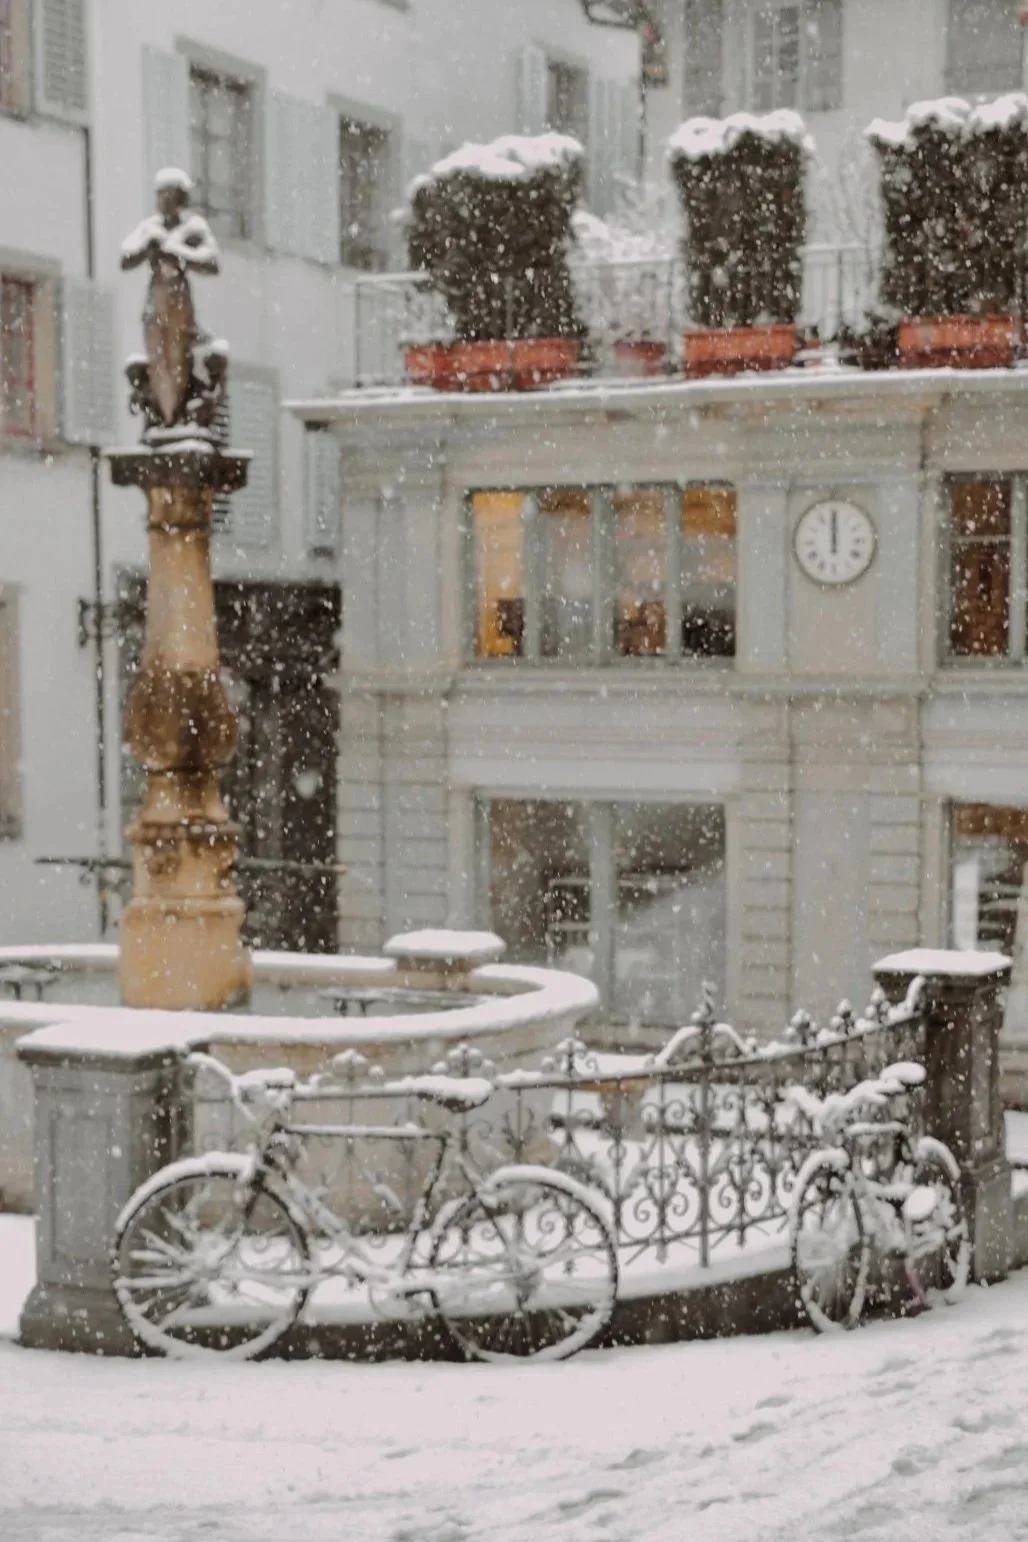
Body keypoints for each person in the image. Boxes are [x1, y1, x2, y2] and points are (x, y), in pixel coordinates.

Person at [120, 168, 220, 427]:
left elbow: (211, 261)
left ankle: (173, 413)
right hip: (155, 300)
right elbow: (126, 258)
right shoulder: (149, 228)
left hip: (178, 300)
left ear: (181, 199)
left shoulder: (193, 227)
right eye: (161, 195)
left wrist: (178, 253)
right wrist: (146, 248)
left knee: (177, 354)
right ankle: (166, 412)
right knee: (158, 357)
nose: (164, 201)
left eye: (170, 195)